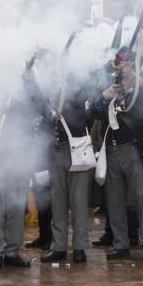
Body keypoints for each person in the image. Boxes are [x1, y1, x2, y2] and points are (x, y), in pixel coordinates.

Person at [96, 54, 143, 262]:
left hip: (133, 149)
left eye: (127, 73)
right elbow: (95, 115)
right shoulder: (112, 94)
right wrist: (105, 97)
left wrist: (136, 81)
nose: (123, 78)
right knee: (114, 201)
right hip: (112, 149)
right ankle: (120, 244)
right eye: (121, 74)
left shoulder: (142, 91)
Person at [0, 66, 49, 269]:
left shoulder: (26, 90)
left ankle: (12, 251)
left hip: (19, 154)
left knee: (16, 205)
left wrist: (31, 82)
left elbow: (41, 108)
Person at [42, 73, 97, 264]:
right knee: (58, 203)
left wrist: (67, 84)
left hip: (77, 151)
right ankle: (58, 246)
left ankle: (80, 246)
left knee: (79, 203)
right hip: (55, 152)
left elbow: (86, 114)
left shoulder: (78, 86)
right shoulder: (49, 87)